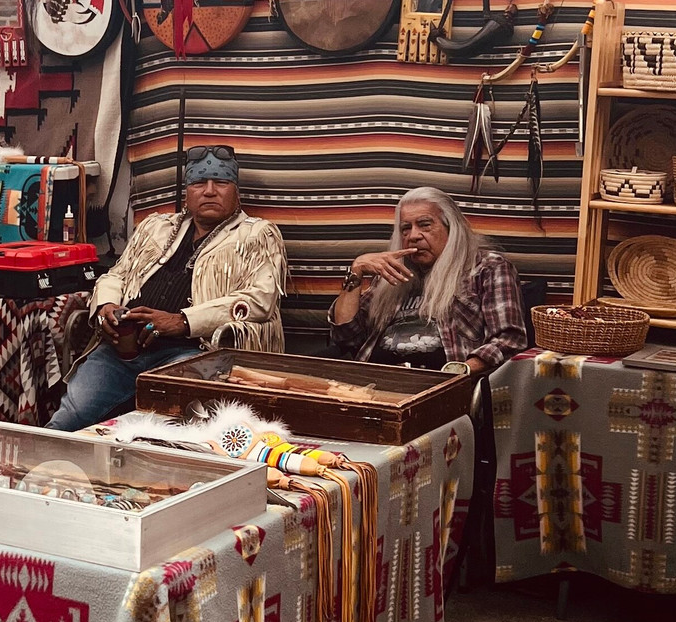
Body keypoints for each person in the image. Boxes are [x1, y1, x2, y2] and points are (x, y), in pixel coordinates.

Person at [47, 145, 287, 430]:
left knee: (164, 428)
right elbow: (116, 275)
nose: (209, 191)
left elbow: (260, 300)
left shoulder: (257, 234)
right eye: (199, 183)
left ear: (236, 191)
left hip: (193, 353)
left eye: (221, 182)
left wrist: (182, 322)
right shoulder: (155, 227)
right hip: (123, 348)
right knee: (68, 420)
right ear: (187, 192)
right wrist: (106, 306)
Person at [330, 186, 526, 374]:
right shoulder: (392, 272)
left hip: (442, 387)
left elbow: (509, 339)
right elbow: (345, 337)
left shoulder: (488, 268)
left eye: (424, 224)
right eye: (405, 228)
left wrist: (460, 373)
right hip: (376, 382)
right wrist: (356, 270)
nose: (413, 236)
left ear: (452, 228)